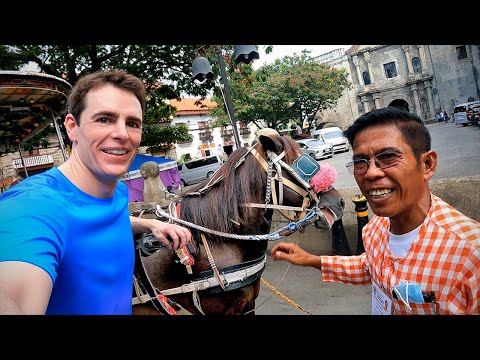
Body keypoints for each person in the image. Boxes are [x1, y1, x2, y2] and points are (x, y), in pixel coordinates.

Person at [0, 69, 192, 315]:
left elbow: (103, 218)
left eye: (132, 123)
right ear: (72, 127)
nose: (122, 134)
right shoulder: (33, 206)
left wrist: (151, 225)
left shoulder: (117, 193)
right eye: (104, 119)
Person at [271, 107, 480, 315]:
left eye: (388, 156)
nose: (370, 173)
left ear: (427, 164)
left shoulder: (470, 256)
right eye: (360, 162)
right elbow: (370, 267)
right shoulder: (374, 229)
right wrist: (310, 260)